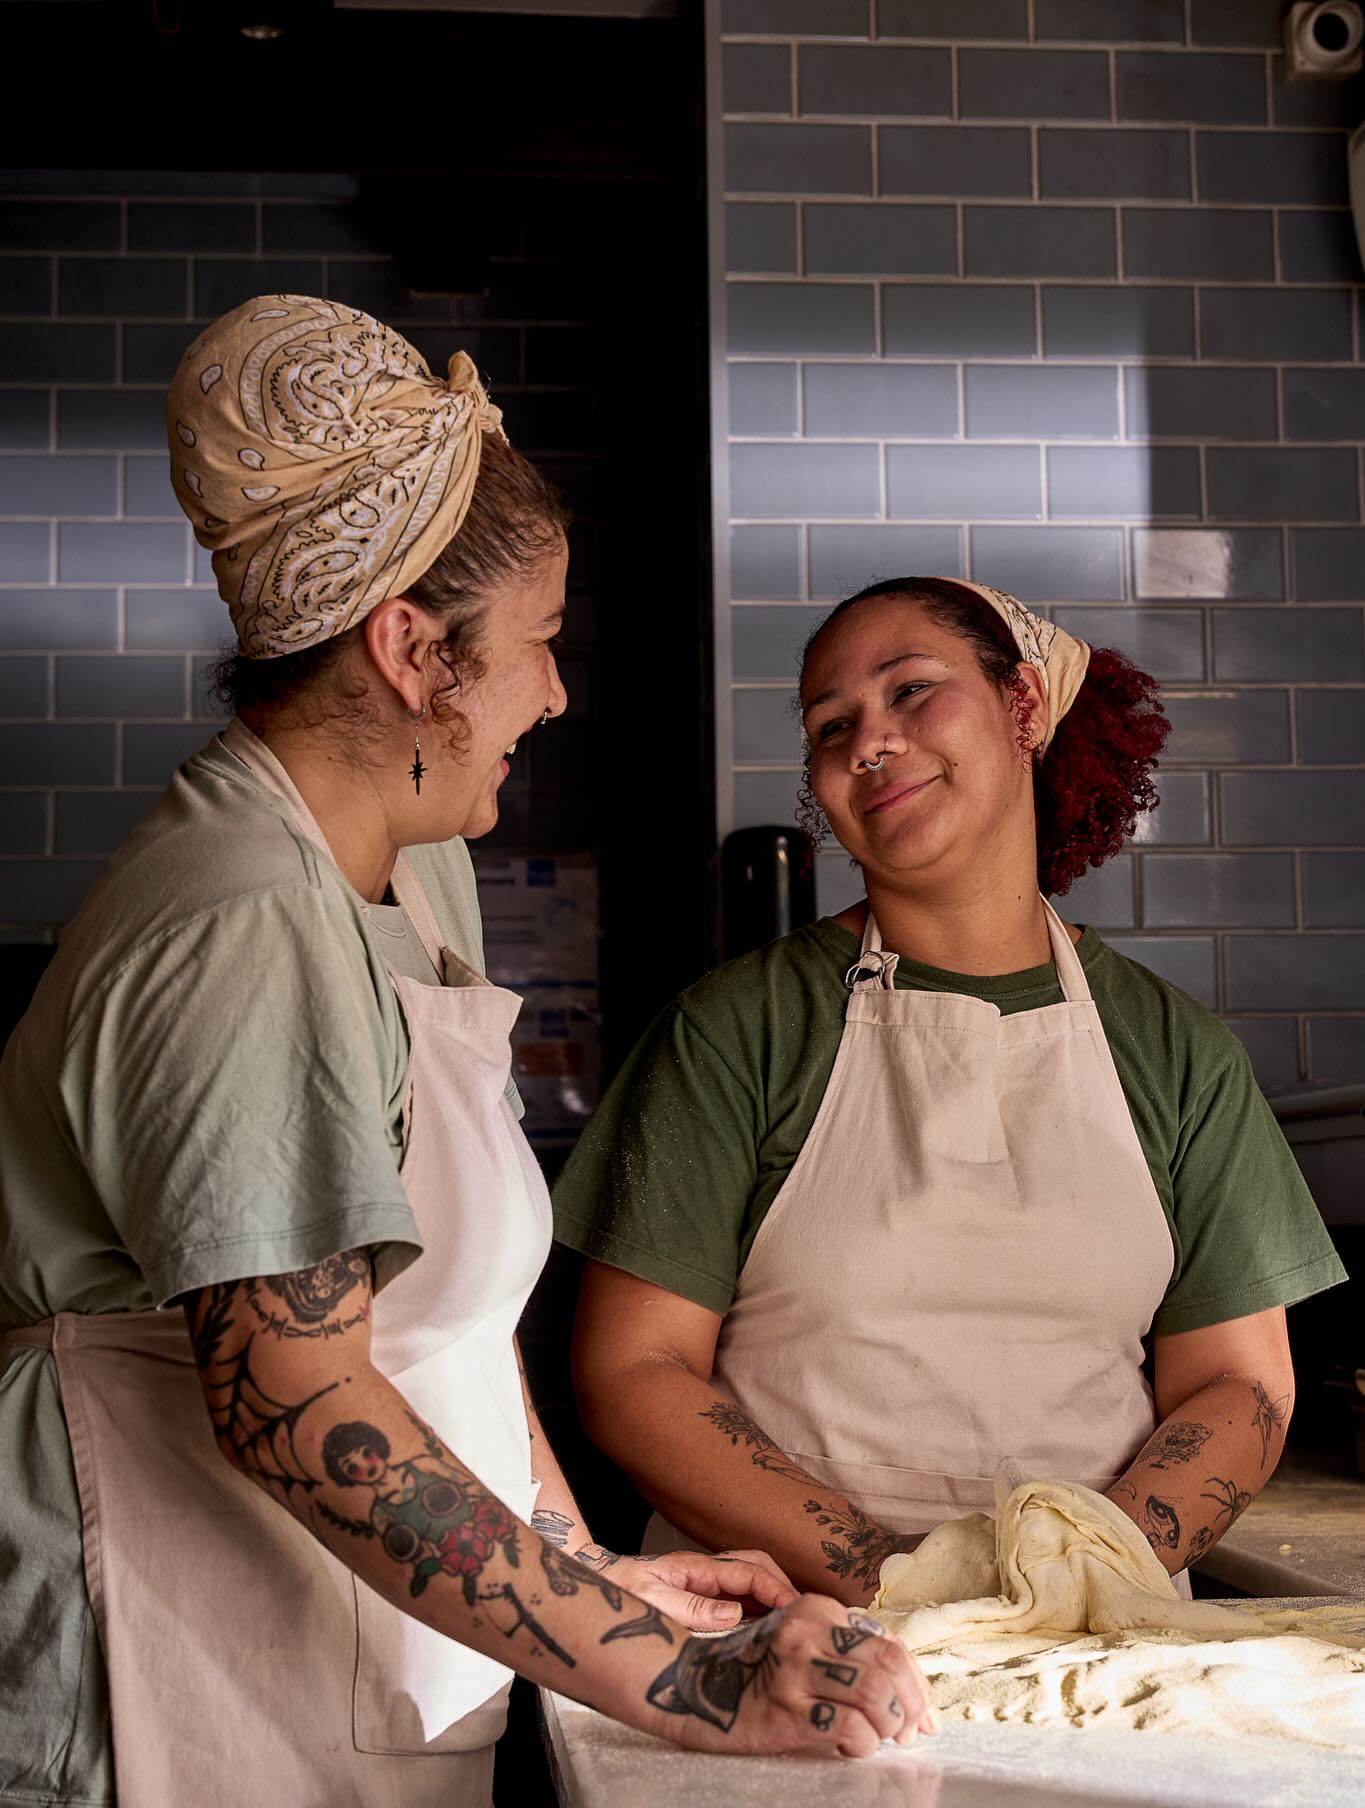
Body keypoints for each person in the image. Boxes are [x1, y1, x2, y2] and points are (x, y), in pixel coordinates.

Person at [0, 298, 933, 1808]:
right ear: (412, 652)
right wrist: (678, 1677)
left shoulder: (414, 868)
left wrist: (586, 1575)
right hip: (145, 1667)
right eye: (540, 645)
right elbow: (296, 1403)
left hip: (332, 1652)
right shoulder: (239, 921)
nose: (555, 694)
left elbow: (448, 1319)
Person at [556, 575, 1347, 1606]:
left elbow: (1238, 1384)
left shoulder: (1177, 1050)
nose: (866, 743)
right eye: (830, 724)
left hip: (1090, 1640)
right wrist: (889, 1570)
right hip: (790, 1632)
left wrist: (1094, 1569)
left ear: (1024, 706)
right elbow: (637, 1371)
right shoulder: (737, 1029)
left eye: (911, 691)